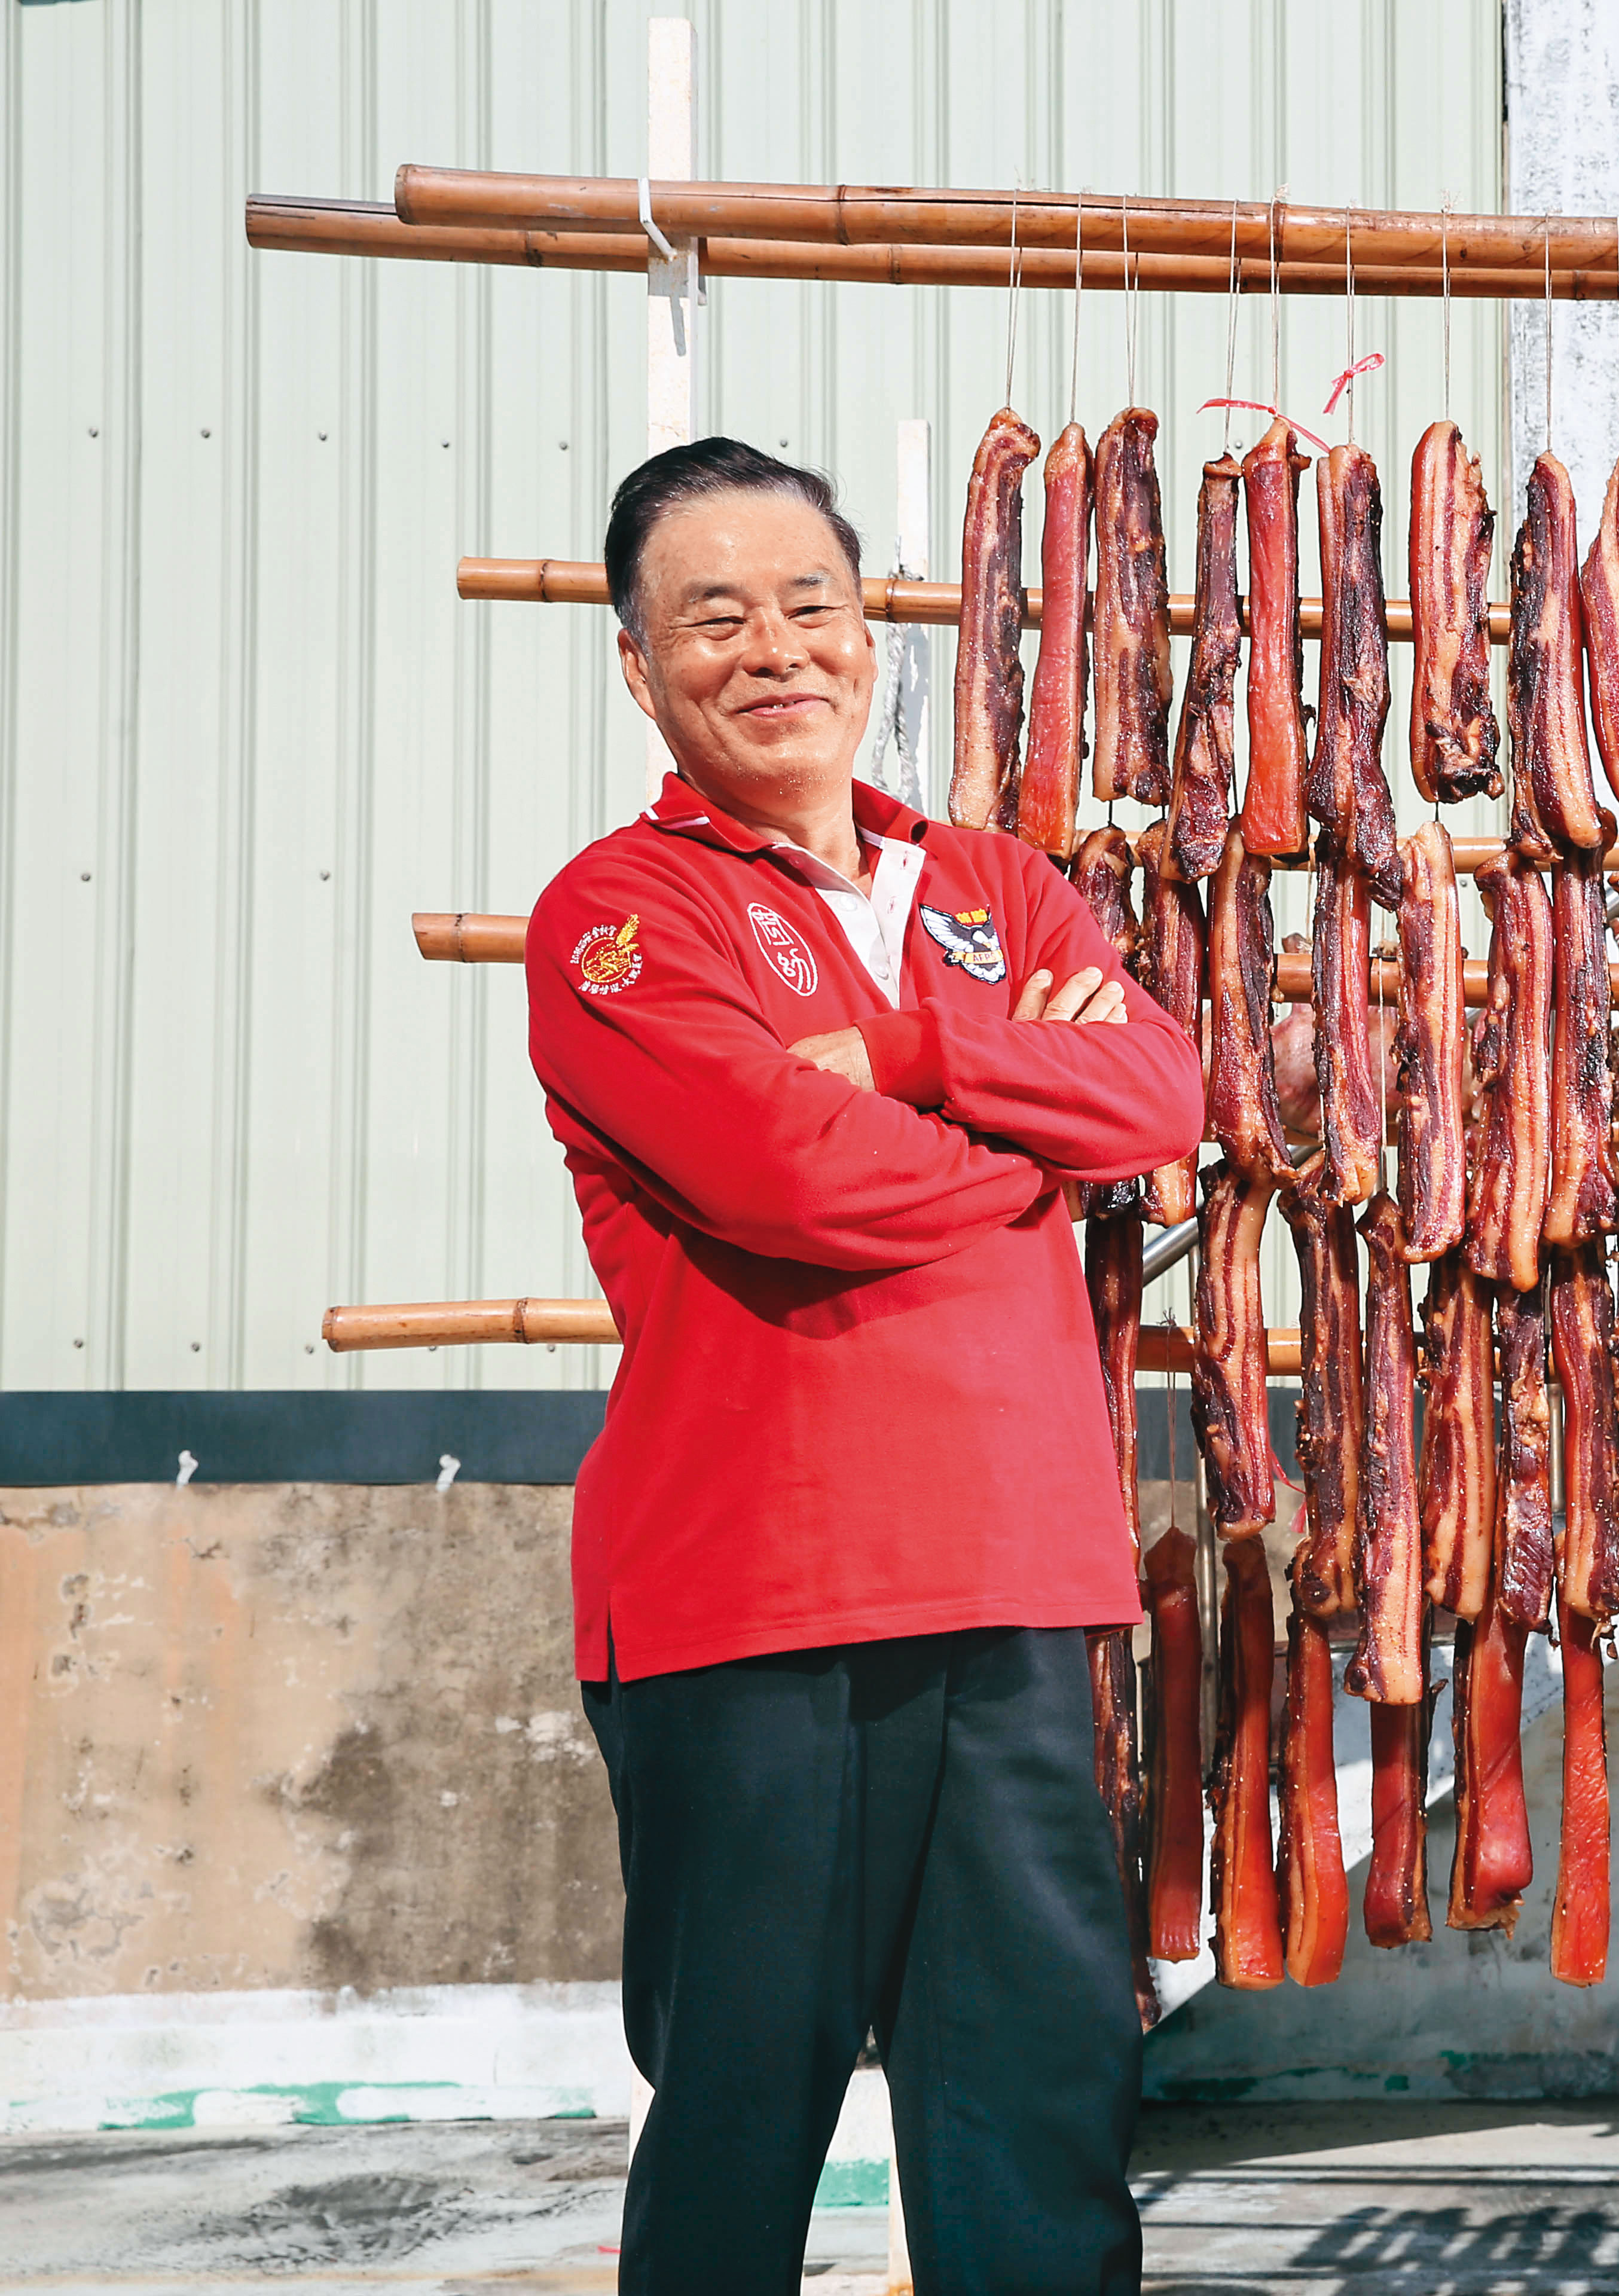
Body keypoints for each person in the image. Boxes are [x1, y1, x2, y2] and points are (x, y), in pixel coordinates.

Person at [527, 437, 1199, 2294]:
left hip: (1018, 1576)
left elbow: (1160, 1097)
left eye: (807, 603)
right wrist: (1034, 1144)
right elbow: (792, 1180)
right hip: (757, 1599)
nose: (773, 649)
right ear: (640, 667)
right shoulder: (621, 916)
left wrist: (913, 1057)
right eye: (712, 618)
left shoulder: (992, 884)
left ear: (869, 634)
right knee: (746, 2109)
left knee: (1038, 2120)